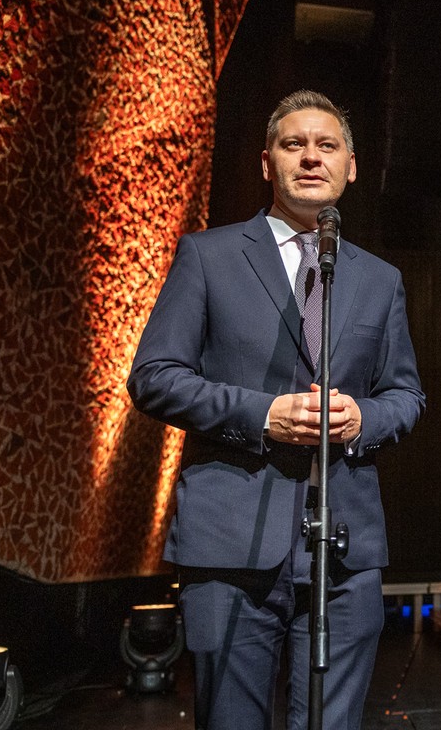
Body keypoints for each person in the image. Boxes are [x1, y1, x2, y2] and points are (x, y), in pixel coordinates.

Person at [128, 89, 425, 729]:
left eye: (327, 146)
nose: (311, 158)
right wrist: (264, 415)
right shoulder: (208, 256)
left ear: (351, 166)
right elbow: (154, 377)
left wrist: (362, 420)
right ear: (268, 163)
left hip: (344, 551)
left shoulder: (379, 279)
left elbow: (405, 395)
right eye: (294, 145)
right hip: (231, 547)